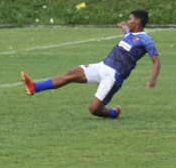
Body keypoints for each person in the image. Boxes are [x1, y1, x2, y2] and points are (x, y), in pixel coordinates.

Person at [20, 10, 160, 118]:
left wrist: (152, 80)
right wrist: (123, 26)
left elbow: (156, 62)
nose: (128, 21)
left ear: (138, 21)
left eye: (130, 19)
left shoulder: (146, 40)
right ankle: (34, 87)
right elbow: (127, 31)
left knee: (94, 109)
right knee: (71, 74)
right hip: (102, 66)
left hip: (113, 77)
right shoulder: (129, 33)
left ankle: (113, 113)